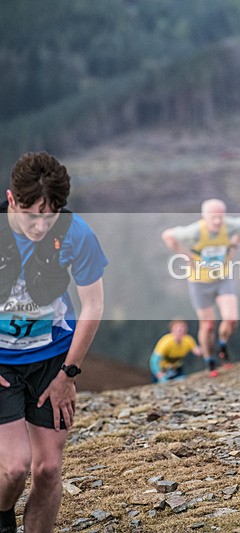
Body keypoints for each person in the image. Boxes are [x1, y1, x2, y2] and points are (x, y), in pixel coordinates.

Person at [0, 152, 107, 532]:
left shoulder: (75, 232)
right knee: (13, 468)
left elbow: (93, 304)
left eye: (51, 214)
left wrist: (68, 373)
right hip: (2, 362)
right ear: (12, 200)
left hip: (51, 360)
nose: (41, 225)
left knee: (46, 468)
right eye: (32, 214)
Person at [161, 199, 240, 377]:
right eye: (213, 217)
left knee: (231, 320)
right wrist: (186, 256)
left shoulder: (229, 226)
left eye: (220, 217)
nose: (217, 221)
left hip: (222, 278)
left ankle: (222, 343)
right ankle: (209, 360)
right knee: (208, 325)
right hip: (199, 283)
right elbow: (167, 235)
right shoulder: (194, 232)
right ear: (204, 216)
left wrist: (234, 247)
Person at [149, 319, 201, 383]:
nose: (180, 330)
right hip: (163, 370)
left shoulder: (188, 340)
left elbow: (198, 352)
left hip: (177, 369)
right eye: (177, 328)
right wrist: (159, 375)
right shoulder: (166, 342)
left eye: (183, 327)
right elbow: (154, 361)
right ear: (172, 330)